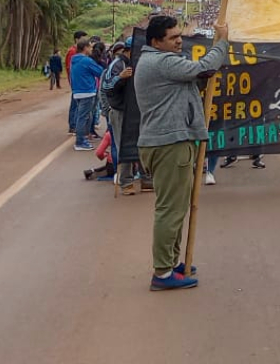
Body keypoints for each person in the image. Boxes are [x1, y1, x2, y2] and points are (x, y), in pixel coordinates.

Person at [135, 15, 229, 291]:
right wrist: (222, 41)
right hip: (169, 143)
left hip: (169, 141)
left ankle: (171, 262)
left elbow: (199, 75)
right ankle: (162, 273)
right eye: (173, 37)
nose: (180, 40)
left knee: (175, 208)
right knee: (170, 210)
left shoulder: (158, 60)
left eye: (179, 35)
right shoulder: (161, 62)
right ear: (156, 41)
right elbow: (204, 67)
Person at [102, 39, 136, 194]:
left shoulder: (139, 63)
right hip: (120, 111)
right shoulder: (116, 65)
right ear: (128, 50)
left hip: (136, 110)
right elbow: (106, 86)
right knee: (124, 145)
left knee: (143, 143)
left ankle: (146, 178)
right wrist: (120, 77)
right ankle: (126, 182)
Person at [70, 38, 104, 151]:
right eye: (89, 47)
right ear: (85, 48)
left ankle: (82, 138)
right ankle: (80, 141)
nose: (91, 49)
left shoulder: (74, 60)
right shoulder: (86, 61)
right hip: (87, 92)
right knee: (83, 117)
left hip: (77, 91)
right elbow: (100, 72)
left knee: (81, 116)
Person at [66, 30, 88, 133]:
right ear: (77, 39)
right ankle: (73, 125)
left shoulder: (78, 51)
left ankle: (75, 125)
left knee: (77, 104)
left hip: (79, 82)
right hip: (76, 82)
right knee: (75, 104)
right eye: (83, 38)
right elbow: (70, 68)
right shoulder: (72, 51)